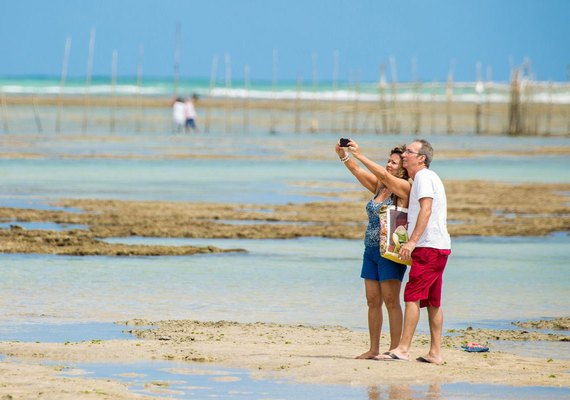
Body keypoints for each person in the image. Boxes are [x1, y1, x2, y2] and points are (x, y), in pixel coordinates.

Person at [336, 138, 412, 359]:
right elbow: (358, 171)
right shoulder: (381, 187)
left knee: (390, 300)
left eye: (394, 163)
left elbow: (383, 175)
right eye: (388, 161)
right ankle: (374, 348)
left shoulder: (404, 188)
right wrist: (344, 155)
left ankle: (396, 348)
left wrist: (359, 154)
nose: (389, 165)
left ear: (403, 169)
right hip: (370, 250)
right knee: (372, 300)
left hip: (389, 250)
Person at [379, 139, 451, 365]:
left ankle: (403, 348)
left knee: (411, 296)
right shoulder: (425, 178)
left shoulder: (423, 177)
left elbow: (426, 209)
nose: (405, 155)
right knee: (432, 301)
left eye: (409, 152)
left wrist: (411, 242)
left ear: (421, 158)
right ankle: (435, 353)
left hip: (429, 247)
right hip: (438, 247)